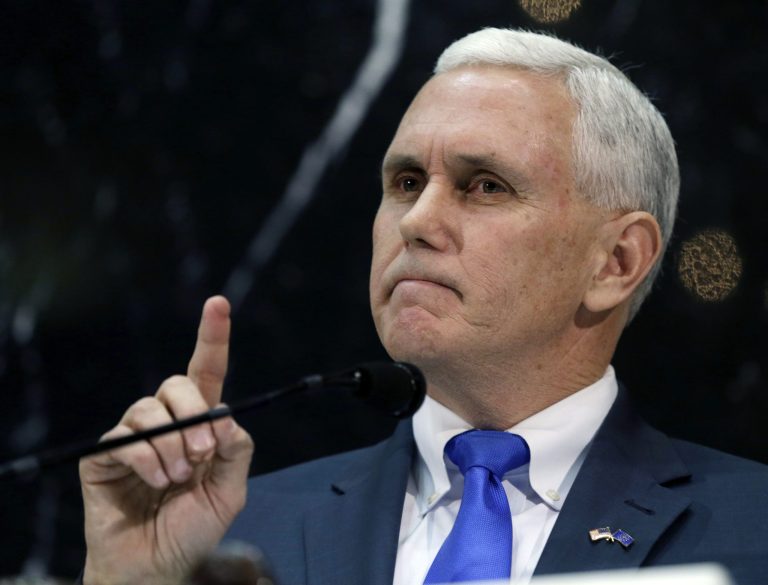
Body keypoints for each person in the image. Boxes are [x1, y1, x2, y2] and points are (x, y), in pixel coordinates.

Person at [79, 28, 768, 585]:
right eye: (406, 181)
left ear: (616, 261)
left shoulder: (753, 528)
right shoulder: (232, 535)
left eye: (486, 185)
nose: (417, 220)